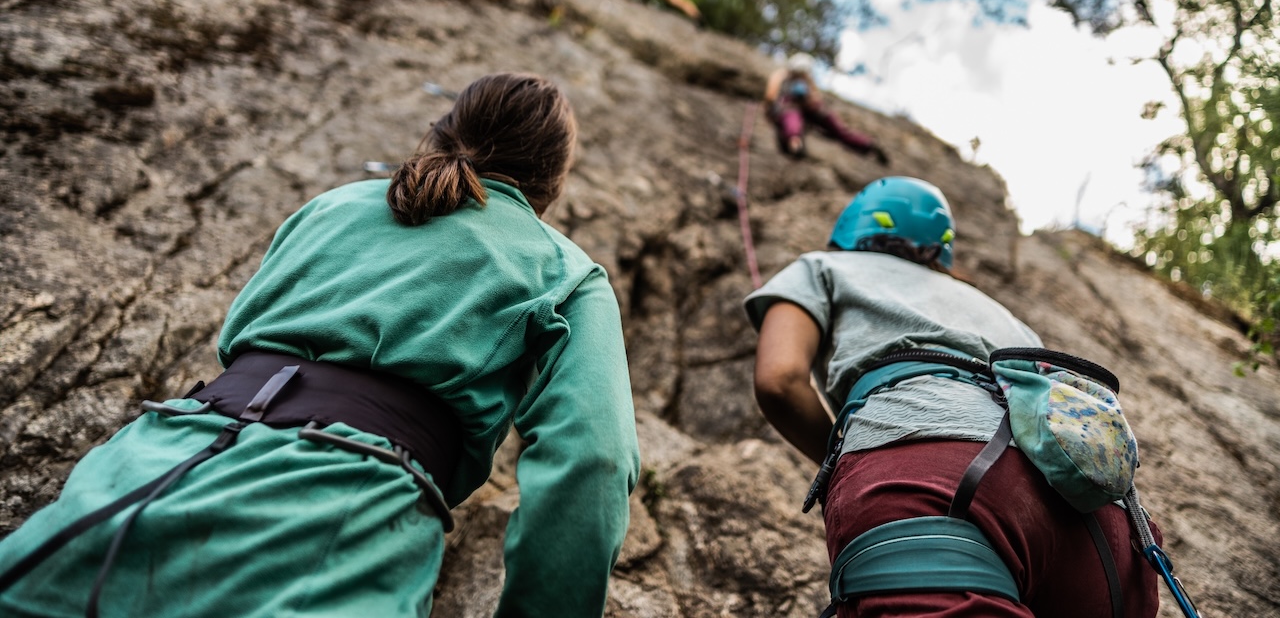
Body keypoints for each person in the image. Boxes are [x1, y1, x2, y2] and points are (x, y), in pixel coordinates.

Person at [0, 73, 641, 617]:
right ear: (548, 184)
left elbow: (238, 344)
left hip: (146, 470)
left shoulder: (333, 207)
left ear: (446, 130)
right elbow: (594, 459)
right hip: (338, 510)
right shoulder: (563, 269)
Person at [743, 176, 1160, 617]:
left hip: (935, 484)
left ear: (852, 230)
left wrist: (838, 468)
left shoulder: (823, 266)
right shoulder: (992, 307)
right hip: (1104, 530)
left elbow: (781, 379)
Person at [763, 53, 889, 164]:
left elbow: (816, 98)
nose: (800, 76)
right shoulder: (782, 76)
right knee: (792, 119)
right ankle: (795, 145)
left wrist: (808, 100)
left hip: (807, 109)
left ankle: (868, 145)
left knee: (836, 128)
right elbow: (771, 96)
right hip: (790, 107)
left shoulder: (806, 80)